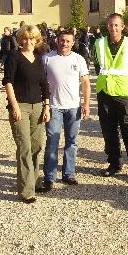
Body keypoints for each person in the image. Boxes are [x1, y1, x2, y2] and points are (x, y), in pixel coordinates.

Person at [95, 13, 128, 183]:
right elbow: (98, 66)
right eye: (110, 25)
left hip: (123, 94)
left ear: (122, 26)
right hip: (104, 92)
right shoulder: (99, 43)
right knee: (108, 131)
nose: (113, 28)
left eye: (116, 25)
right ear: (107, 26)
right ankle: (114, 164)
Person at [2, 25, 51, 203]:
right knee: (24, 147)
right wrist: (14, 106)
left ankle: (35, 180)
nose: (28, 42)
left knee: (37, 146)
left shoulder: (38, 59)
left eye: (32, 39)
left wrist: (46, 106)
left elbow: (44, 85)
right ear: (20, 39)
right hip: (20, 106)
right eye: (25, 38)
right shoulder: (14, 57)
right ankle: (26, 189)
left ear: (36, 40)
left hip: (38, 106)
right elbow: (8, 82)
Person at [40, 31, 90, 191]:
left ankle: (68, 174)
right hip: (54, 107)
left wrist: (86, 104)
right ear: (57, 41)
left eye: (68, 41)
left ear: (73, 42)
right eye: (62, 40)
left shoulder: (78, 59)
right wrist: (44, 105)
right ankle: (49, 176)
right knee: (52, 143)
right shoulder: (47, 58)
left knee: (72, 142)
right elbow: (41, 83)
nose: (65, 44)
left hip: (73, 107)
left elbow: (86, 83)